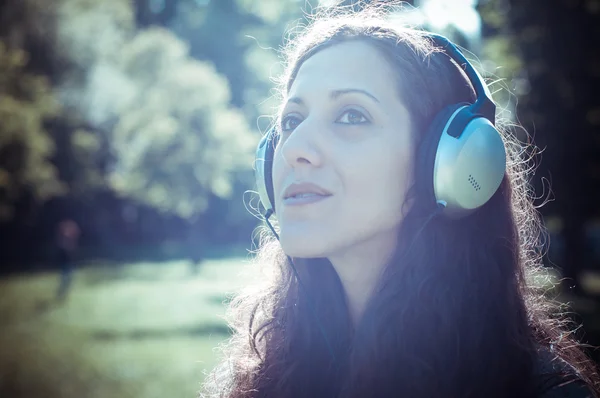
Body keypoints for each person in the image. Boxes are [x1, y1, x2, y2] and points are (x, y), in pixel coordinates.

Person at [201, 4, 599, 398]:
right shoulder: (260, 375)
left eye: (352, 115)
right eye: (291, 121)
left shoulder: (542, 391)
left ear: (446, 165)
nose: (295, 149)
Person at [55, 218, 80, 301]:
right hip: (65, 264)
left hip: (68, 264)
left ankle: (62, 295)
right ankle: (61, 295)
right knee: (66, 280)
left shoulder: (68, 242)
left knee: (68, 281)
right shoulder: (63, 241)